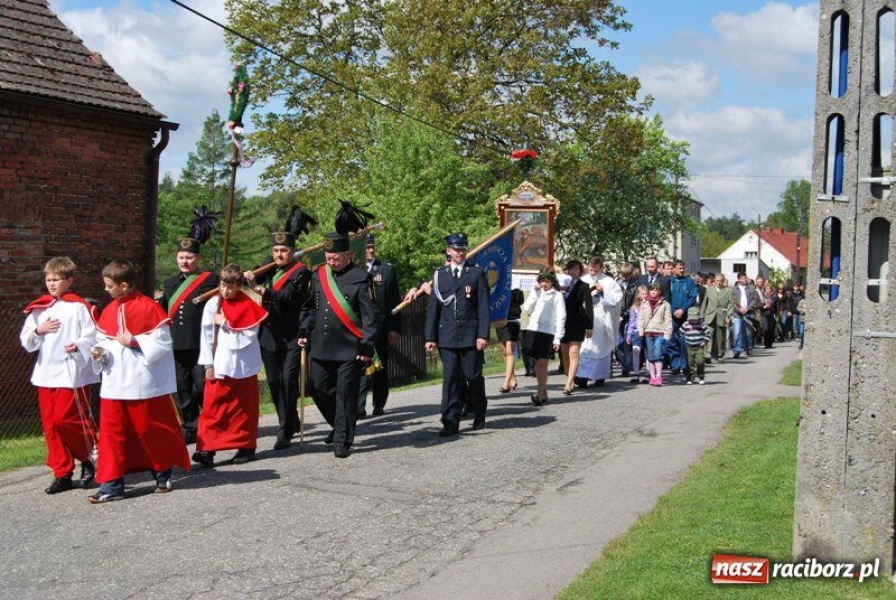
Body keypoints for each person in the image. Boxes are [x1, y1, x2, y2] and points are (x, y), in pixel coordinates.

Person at [88, 259, 190, 503]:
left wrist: (134, 341)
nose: (105, 289)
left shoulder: (148, 307)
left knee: (149, 430)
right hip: (114, 383)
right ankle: (111, 485)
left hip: (141, 383)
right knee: (110, 435)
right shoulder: (109, 310)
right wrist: (98, 351)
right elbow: (103, 339)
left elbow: (163, 342)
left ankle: (162, 473)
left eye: (109, 285)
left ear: (124, 285)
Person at [20, 256, 99, 494]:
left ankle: (87, 457)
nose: (51, 284)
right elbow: (26, 340)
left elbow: (92, 335)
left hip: (71, 372)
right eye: (48, 279)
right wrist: (38, 330)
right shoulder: (39, 309)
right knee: (51, 425)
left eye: (56, 279)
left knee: (67, 419)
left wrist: (78, 345)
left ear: (69, 280)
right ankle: (62, 472)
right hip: (46, 373)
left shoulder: (79, 307)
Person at [298, 232, 379, 458]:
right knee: (318, 388)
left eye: (336, 258)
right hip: (321, 345)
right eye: (328, 258)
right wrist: (304, 329)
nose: (331, 262)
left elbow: (371, 315)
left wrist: (367, 344)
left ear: (348, 255)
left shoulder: (362, 278)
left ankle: (342, 439)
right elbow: (309, 307)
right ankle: (339, 423)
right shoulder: (318, 276)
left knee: (345, 395)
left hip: (349, 347)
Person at [244, 218, 312, 451]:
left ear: (293, 251)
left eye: (284, 250)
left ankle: (285, 430)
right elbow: (252, 276)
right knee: (273, 381)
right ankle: (290, 419)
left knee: (288, 380)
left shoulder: (302, 272)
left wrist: (259, 290)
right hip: (269, 334)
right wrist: (251, 275)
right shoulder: (270, 267)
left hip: (291, 334)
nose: (279, 255)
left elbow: (288, 298)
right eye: (275, 250)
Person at [192, 264, 268, 467]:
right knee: (212, 407)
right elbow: (206, 337)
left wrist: (225, 323)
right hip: (219, 364)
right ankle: (206, 448)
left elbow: (247, 337)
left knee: (243, 409)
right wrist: (208, 364)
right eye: (223, 286)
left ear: (239, 287)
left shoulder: (248, 305)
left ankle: (245, 446)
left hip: (242, 365)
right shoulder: (213, 304)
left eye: (231, 287)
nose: (226, 291)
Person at [425, 232, 490, 436]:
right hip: (447, 336)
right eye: (456, 249)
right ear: (448, 251)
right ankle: (450, 421)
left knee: (473, 376)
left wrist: (483, 335)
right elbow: (434, 309)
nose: (460, 253)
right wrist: (430, 337)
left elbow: (483, 307)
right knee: (450, 379)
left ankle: (479, 412)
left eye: (463, 249)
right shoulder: (440, 275)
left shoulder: (476, 273)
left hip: (470, 335)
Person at [158, 229, 218, 445]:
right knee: (181, 388)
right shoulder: (170, 283)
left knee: (202, 386)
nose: (185, 261)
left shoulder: (210, 279)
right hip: (176, 343)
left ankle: (211, 424)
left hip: (200, 343)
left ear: (198, 258)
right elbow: (163, 310)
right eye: (181, 257)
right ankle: (191, 427)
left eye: (189, 257)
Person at [358, 234, 401, 418]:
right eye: (367, 247)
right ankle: (359, 407)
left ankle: (379, 404)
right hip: (360, 329)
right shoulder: (355, 270)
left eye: (372, 246)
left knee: (380, 367)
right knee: (360, 366)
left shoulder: (386, 270)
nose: (370, 250)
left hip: (380, 328)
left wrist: (394, 328)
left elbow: (394, 301)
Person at [520, 272, 566, 406]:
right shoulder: (537, 292)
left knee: (542, 364)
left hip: (547, 332)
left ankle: (539, 394)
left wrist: (557, 338)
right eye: (541, 281)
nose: (544, 284)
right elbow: (526, 308)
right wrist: (534, 293)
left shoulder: (557, 295)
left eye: (546, 281)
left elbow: (561, 317)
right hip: (533, 330)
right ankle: (544, 392)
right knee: (536, 364)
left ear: (552, 281)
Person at [577, 257, 623, 386]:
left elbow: (618, 299)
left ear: (601, 268)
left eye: (596, 271)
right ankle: (582, 377)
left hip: (602, 320)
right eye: (591, 270)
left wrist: (604, 291)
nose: (593, 273)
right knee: (585, 349)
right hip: (586, 320)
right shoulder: (583, 280)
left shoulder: (609, 282)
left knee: (601, 348)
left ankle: (599, 377)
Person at [560, 259, 593, 395]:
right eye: (571, 269)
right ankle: (570, 376)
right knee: (564, 354)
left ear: (580, 271)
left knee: (574, 352)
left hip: (578, 322)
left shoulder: (584, 286)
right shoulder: (561, 285)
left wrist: (590, 327)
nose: (573, 271)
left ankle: (568, 384)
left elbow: (589, 307)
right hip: (563, 322)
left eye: (576, 269)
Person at [665, 260, 697, 377]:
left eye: (683, 268)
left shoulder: (689, 282)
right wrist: (673, 311)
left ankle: (685, 366)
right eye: (679, 268)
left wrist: (683, 309)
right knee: (671, 341)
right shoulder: (668, 282)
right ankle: (675, 365)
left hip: (685, 316)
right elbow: (665, 298)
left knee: (684, 340)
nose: (682, 270)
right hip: (671, 316)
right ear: (673, 269)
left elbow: (692, 298)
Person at [637, 282, 672, 386]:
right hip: (648, 332)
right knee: (650, 355)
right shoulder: (644, 303)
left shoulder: (665, 304)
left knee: (658, 354)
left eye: (656, 290)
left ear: (660, 291)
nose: (653, 292)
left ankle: (659, 376)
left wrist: (667, 334)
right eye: (652, 290)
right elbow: (640, 318)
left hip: (659, 332)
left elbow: (668, 320)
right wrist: (640, 331)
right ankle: (652, 377)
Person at [496, 288, 525, 393]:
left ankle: (506, 383)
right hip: (500, 319)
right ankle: (512, 378)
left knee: (509, 351)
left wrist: (515, 289)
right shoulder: (499, 284)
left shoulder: (516, 285)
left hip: (512, 320)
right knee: (505, 352)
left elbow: (520, 300)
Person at [702, 273, 732, 363]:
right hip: (710, 315)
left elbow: (730, 304)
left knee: (721, 337)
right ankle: (708, 354)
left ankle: (720, 354)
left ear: (723, 281)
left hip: (722, 316)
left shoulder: (728, 291)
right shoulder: (709, 289)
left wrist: (728, 316)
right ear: (714, 281)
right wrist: (702, 316)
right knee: (709, 334)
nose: (719, 283)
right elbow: (704, 303)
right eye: (717, 281)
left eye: (721, 281)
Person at [730, 272, 760, 358]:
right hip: (737, 314)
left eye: (746, 278)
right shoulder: (733, 289)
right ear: (739, 279)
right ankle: (737, 351)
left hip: (748, 313)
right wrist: (739, 309)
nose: (745, 280)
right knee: (737, 333)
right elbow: (732, 301)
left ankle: (749, 349)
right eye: (743, 278)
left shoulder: (751, 288)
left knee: (749, 333)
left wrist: (747, 308)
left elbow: (755, 299)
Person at [625, 284, 649, 383]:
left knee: (647, 353)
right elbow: (631, 322)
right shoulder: (634, 307)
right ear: (638, 295)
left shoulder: (649, 305)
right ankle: (636, 374)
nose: (644, 296)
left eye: (646, 294)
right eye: (642, 294)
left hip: (647, 331)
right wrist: (629, 335)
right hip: (636, 332)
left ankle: (648, 374)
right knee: (636, 350)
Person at [681, 306, 710, 385]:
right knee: (690, 363)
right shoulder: (686, 324)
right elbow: (680, 332)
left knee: (700, 361)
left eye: (695, 319)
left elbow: (708, 333)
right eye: (692, 319)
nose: (693, 321)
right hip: (689, 347)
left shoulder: (702, 324)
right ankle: (690, 377)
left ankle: (701, 376)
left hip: (699, 346)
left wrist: (705, 341)